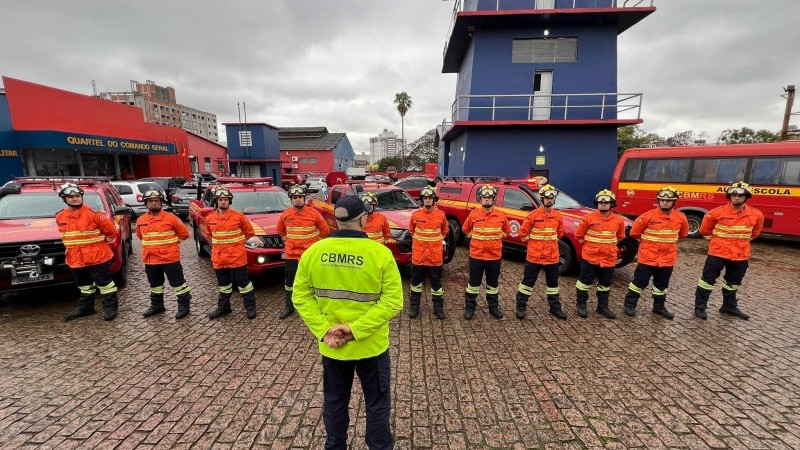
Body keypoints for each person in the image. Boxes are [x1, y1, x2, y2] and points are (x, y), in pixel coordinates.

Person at [293, 195, 403, 450]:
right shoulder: (380, 254)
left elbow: (300, 296)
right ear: (364, 219)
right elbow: (393, 302)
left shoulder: (313, 252)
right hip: (371, 346)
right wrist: (355, 330)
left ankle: (335, 446)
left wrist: (324, 331)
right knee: (376, 403)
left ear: (336, 219)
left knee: (335, 400)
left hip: (333, 347)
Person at [694, 181, 764, 320]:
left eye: (740, 195)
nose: (736, 197)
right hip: (717, 253)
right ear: (729, 196)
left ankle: (728, 307)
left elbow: (755, 233)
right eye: (733, 195)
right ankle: (700, 307)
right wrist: (717, 242)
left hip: (740, 255)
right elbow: (704, 231)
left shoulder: (756, 215)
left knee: (733, 282)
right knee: (707, 281)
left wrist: (740, 243)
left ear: (746, 196)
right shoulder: (716, 213)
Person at [56, 182, 120, 321]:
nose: (75, 198)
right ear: (63, 199)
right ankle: (86, 308)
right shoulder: (60, 216)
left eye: (77, 195)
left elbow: (112, 233)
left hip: (97, 257)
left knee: (105, 285)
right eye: (70, 196)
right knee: (84, 285)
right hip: (75, 259)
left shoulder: (95, 215)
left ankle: (110, 308)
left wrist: (98, 245)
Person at [623, 186, 689, 320]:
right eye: (662, 200)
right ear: (658, 200)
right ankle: (630, 304)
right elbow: (634, 233)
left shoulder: (681, 218)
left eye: (668, 200)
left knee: (661, 285)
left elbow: (682, 234)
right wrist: (648, 242)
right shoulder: (647, 217)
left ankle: (659, 307)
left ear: (674, 202)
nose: (665, 202)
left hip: (667, 259)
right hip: (648, 258)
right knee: (639, 283)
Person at [135, 189, 192, 319]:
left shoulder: (171, 218)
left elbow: (184, 234)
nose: (153, 203)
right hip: (151, 259)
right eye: (150, 201)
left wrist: (172, 244)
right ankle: (157, 306)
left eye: (156, 201)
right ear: (146, 203)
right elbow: (140, 236)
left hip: (170, 259)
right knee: (155, 285)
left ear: (161, 203)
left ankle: (184, 306)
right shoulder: (140, 220)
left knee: (178, 284)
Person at [514, 184, 567, 320]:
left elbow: (560, 234)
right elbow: (522, 234)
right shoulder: (533, 215)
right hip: (535, 256)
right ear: (542, 198)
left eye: (551, 198)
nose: (549, 200)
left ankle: (555, 308)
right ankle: (521, 307)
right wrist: (534, 243)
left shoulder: (557, 216)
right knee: (527, 283)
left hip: (552, 256)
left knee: (553, 285)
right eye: (547, 198)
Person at [276, 185, 330, 319]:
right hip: (291, 255)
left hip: (309, 255)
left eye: (300, 197)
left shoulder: (314, 214)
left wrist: (315, 244)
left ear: (304, 198)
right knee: (290, 283)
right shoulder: (286, 214)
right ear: (291, 199)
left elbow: (325, 231)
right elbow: (280, 230)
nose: (298, 200)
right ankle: (289, 306)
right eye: (295, 198)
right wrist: (287, 240)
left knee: (314, 281)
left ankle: (318, 307)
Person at [206, 187, 259, 320]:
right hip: (219, 258)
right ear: (216, 201)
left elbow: (249, 233)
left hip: (237, 257)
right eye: (220, 200)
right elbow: (210, 235)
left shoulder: (239, 217)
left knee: (244, 285)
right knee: (223, 285)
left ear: (229, 201)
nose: (223, 202)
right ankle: (224, 308)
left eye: (225, 200)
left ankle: (250, 307)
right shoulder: (210, 218)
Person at [574, 189, 626, 319]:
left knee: (605, 284)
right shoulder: (588, 218)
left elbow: (620, 237)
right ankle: (581, 305)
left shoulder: (618, 220)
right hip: (590, 257)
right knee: (584, 283)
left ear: (611, 204)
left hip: (608, 258)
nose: (603, 204)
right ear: (597, 203)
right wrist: (591, 246)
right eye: (600, 202)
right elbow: (579, 235)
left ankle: (602, 307)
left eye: (606, 202)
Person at [462, 184, 510, 320]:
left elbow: (506, 231)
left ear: (493, 199)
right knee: (473, 284)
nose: (487, 199)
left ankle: (493, 307)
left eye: (489, 197)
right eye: (484, 197)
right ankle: (470, 307)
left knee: (493, 284)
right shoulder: (474, 215)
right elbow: (465, 229)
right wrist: (476, 238)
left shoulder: (501, 216)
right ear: (480, 199)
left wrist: (495, 239)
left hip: (494, 256)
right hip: (476, 255)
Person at [408, 186, 449, 319]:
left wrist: (435, 243)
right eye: (425, 198)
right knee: (415, 284)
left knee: (436, 284)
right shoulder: (416, 215)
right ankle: (414, 308)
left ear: (434, 200)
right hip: (418, 257)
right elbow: (411, 230)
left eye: (430, 198)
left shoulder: (441, 215)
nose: (427, 200)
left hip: (434, 257)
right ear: (422, 200)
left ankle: (438, 308)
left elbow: (444, 231)